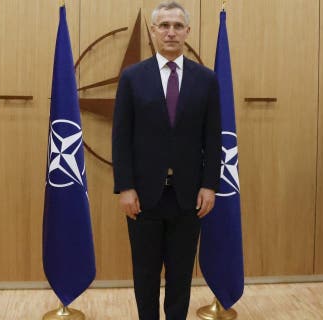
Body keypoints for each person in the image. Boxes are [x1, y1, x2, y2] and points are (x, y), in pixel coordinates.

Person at [112, 1, 221, 319]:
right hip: (143, 196)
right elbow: (121, 138)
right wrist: (126, 187)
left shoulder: (206, 79)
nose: (171, 32)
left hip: (189, 195)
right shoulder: (132, 77)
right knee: (145, 274)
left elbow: (213, 138)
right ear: (154, 31)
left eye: (177, 26)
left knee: (180, 275)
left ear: (187, 31)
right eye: (164, 25)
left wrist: (210, 185)